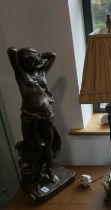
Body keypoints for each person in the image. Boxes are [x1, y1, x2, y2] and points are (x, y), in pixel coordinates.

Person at [7, 47, 61, 184]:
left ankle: (49, 170)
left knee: (48, 144)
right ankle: (35, 172)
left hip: (46, 113)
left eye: (31, 60)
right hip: (29, 116)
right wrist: (23, 57)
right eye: (25, 61)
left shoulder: (42, 72)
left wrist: (37, 55)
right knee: (32, 146)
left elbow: (53, 55)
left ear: (35, 60)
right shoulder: (20, 74)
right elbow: (11, 51)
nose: (28, 64)